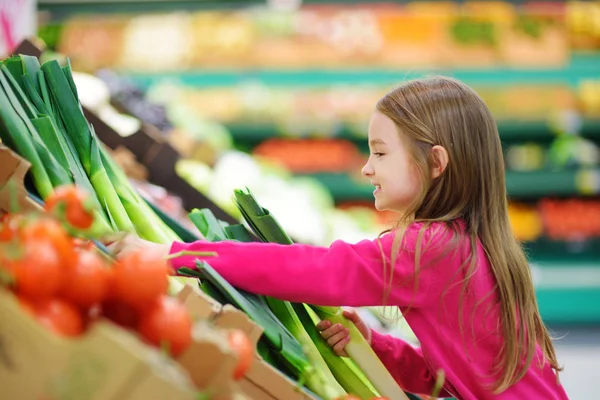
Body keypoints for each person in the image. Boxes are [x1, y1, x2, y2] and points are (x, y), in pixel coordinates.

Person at [105, 77, 568, 399]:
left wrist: (178, 254)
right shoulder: (469, 243)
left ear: (436, 163)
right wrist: (376, 345)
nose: (367, 168)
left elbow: (317, 271)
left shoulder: (431, 248)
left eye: (380, 153)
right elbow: (444, 379)